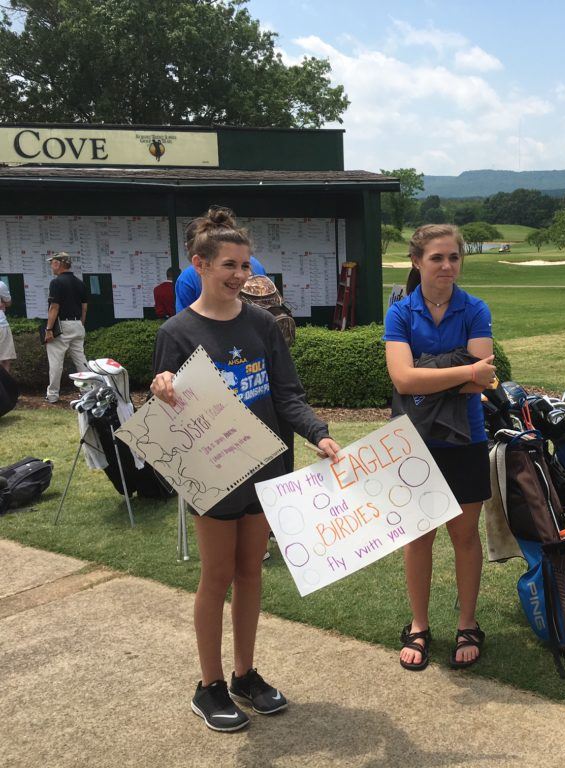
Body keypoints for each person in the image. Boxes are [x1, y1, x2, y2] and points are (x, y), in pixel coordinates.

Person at [150, 207, 341, 732]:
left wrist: (319, 432)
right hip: (215, 473)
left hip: (267, 465)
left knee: (251, 572)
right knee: (217, 576)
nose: (239, 276)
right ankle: (208, 685)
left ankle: (244, 675)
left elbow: (287, 395)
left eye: (245, 265)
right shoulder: (178, 330)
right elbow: (167, 404)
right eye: (229, 265)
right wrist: (162, 390)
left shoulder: (262, 324)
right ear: (201, 265)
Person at [383, 223, 496, 671]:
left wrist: (434, 374)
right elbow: (402, 380)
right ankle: (419, 625)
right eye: (437, 258)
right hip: (413, 440)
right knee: (420, 536)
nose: (448, 266)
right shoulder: (401, 312)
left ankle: (468, 623)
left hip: (465, 437)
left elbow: (482, 383)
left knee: (464, 536)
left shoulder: (474, 309)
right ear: (417, 261)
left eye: (454, 257)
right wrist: (461, 370)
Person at [43, 252, 88, 403]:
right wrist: (80, 323)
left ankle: (53, 395)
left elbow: (54, 307)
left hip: (62, 325)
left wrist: (49, 329)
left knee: (56, 361)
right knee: (81, 360)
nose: (51, 266)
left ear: (58, 264)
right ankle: (88, 391)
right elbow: (84, 308)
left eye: (52, 263)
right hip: (78, 325)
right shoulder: (79, 282)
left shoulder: (56, 283)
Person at [175, 252, 266, 313]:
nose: (240, 275)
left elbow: (184, 325)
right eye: (229, 265)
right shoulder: (256, 264)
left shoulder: (187, 278)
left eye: (245, 267)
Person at [0, 276, 15, 373]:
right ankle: (4, 386)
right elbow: (8, 302)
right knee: (5, 359)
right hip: (1, 324)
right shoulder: (1, 285)